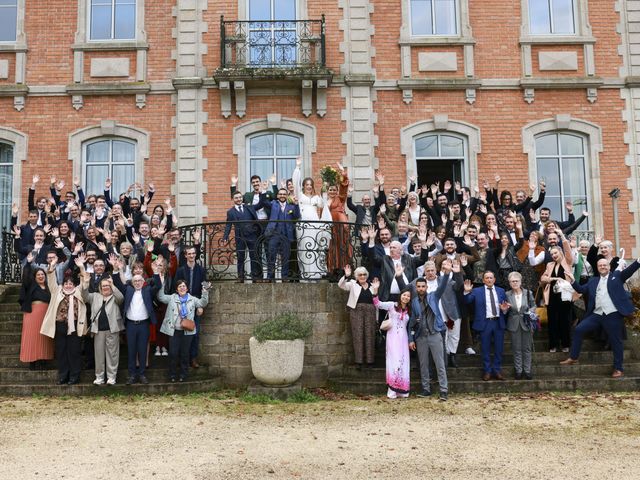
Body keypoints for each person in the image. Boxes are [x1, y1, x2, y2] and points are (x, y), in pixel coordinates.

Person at [561, 257, 640, 378]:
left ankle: (618, 369)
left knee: (616, 341)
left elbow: (630, 270)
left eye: (605, 265)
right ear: (597, 268)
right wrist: (572, 281)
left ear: (609, 267)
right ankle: (573, 357)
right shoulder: (593, 280)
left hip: (613, 314)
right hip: (597, 315)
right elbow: (581, 289)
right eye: (600, 266)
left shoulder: (617, 276)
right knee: (579, 329)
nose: (602, 267)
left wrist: (638, 261)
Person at [79, 259, 124, 386]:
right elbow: (84, 295)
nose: (105, 288)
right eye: (103, 286)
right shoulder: (95, 296)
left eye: (107, 286)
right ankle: (99, 377)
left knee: (112, 355)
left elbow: (121, 298)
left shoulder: (115, 296)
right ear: (100, 287)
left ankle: (111, 377)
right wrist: (86, 283)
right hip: (98, 330)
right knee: (99, 355)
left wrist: (113, 285)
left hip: (112, 329)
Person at [408, 268, 451, 401]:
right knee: (423, 364)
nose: (421, 288)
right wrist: (411, 339)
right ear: (416, 288)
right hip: (421, 336)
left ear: (426, 286)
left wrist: (447, 273)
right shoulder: (414, 302)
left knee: (440, 363)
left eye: (423, 286)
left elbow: (443, 286)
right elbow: (411, 323)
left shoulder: (434, 296)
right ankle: (426, 389)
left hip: (434, 334)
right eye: (419, 287)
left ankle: (444, 390)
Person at [40, 266, 88, 385]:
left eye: (70, 283)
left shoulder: (78, 291)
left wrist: (82, 267)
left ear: (73, 284)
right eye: (66, 283)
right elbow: (51, 281)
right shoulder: (57, 292)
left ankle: (74, 376)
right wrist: (51, 267)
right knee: (61, 352)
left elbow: (85, 282)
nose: (68, 285)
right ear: (63, 284)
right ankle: (63, 376)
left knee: (74, 352)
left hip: (75, 326)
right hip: (60, 325)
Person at [157, 277, 210, 382]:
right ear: (177, 289)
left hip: (187, 331)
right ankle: (172, 375)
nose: (182, 288)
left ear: (187, 289)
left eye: (184, 286)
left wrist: (205, 292)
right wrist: (162, 284)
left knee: (185, 354)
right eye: (180, 286)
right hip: (174, 331)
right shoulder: (172, 298)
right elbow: (161, 297)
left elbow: (202, 303)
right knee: (173, 353)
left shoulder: (192, 299)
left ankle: (183, 375)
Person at [113, 273, 159, 385]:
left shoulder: (147, 290)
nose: (137, 283)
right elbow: (118, 283)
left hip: (144, 325)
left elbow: (157, 286)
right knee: (131, 351)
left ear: (143, 282)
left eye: (139, 281)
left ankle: (142, 374)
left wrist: (156, 272)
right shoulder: (128, 290)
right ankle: (132, 375)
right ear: (132, 283)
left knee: (142, 350)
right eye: (135, 281)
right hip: (131, 325)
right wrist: (115, 270)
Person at [463, 272, 508, 381]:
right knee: (485, 348)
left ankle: (497, 370)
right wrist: (466, 292)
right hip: (485, 323)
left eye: (491, 278)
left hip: (498, 322)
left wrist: (504, 310)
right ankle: (487, 371)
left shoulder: (501, 291)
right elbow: (467, 301)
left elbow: (505, 306)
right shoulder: (477, 291)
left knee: (499, 348)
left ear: (494, 279)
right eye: (486, 278)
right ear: (483, 280)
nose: (489, 280)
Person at [371, 279, 412, 399]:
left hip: (403, 338)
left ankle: (402, 390)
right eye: (404, 295)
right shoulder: (391, 305)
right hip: (392, 337)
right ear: (400, 296)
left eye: (408, 296)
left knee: (403, 362)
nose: (406, 297)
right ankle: (392, 390)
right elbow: (377, 303)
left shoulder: (410, 310)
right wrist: (375, 290)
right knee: (393, 361)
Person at [292, 158, 329, 281]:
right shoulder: (300, 196)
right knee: (304, 248)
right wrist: (298, 168)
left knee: (314, 247)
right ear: (303, 186)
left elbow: (323, 205)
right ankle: (305, 274)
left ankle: (316, 273)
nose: (308, 187)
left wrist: (324, 191)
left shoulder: (316, 198)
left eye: (310, 185)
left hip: (315, 225)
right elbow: (295, 183)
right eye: (306, 185)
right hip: (303, 225)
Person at [338, 265, 377, 369]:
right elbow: (341, 285)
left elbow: (376, 300)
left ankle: (370, 361)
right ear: (356, 276)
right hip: (356, 310)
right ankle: (359, 361)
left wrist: (376, 290)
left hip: (370, 311)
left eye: (364, 274)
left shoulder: (373, 285)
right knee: (357, 334)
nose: (363, 276)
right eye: (360, 275)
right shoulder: (352, 284)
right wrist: (346, 276)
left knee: (370, 334)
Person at [18, 262, 54, 370]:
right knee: (32, 337)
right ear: (35, 277)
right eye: (38, 275)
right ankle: (32, 361)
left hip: (46, 315)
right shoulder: (31, 286)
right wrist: (28, 263)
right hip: (32, 315)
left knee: (45, 337)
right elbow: (25, 278)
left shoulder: (49, 288)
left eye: (42, 274)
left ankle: (43, 361)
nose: (41, 276)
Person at [223, 191, 265, 282]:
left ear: (242, 198)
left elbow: (260, 204)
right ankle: (240, 277)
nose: (239, 199)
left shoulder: (249, 207)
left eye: (240, 197)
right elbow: (228, 225)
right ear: (233, 199)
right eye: (236, 198)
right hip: (240, 237)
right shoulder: (230, 212)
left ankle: (256, 277)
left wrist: (262, 193)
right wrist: (225, 237)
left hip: (252, 236)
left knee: (254, 256)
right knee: (240, 257)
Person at [540, 245, 575, 353]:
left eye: (556, 253)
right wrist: (554, 278)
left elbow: (568, 251)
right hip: (552, 296)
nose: (554, 255)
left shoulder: (567, 262)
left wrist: (563, 237)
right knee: (552, 322)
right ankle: (553, 345)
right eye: (552, 254)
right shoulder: (550, 265)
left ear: (561, 252)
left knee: (565, 321)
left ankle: (565, 344)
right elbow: (543, 278)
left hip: (565, 296)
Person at [504, 271, 536, 380]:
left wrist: (529, 312)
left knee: (527, 348)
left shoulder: (528, 293)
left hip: (526, 323)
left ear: (520, 281)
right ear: (509, 283)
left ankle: (527, 371)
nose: (514, 283)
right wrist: (504, 309)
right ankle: (518, 370)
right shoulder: (507, 294)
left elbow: (534, 306)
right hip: (513, 323)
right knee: (516, 348)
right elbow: (505, 310)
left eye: (516, 281)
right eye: (512, 281)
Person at [265, 188, 301, 281]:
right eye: (280, 194)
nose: (282, 196)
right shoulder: (273, 204)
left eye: (284, 194)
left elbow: (297, 216)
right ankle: (270, 277)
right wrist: (265, 190)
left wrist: (296, 204)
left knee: (285, 257)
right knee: (271, 256)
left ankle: (284, 277)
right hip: (274, 234)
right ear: (277, 196)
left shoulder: (291, 207)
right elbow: (264, 202)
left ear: (287, 196)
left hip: (286, 235)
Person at [324, 162, 352, 279]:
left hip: (340, 227)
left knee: (341, 246)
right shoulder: (324, 200)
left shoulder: (340, 198)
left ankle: (343, 269)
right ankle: (331, 269)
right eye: (330, 189)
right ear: (327, 190)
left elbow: (344, 186)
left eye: (334, 190)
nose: (332, 191)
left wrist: (343, 172)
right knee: (331, 247)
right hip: (329, 227)